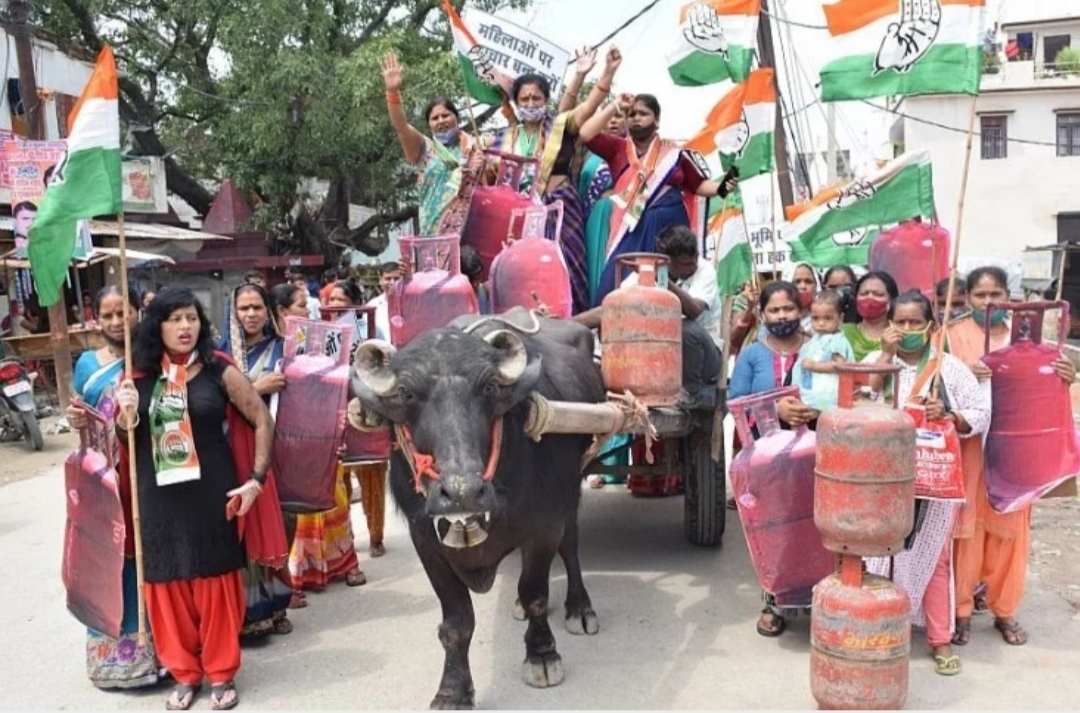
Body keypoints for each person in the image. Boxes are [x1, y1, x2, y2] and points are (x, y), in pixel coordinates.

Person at [114, 287, 285, 710]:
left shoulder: (218, 369)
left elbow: (261, 419)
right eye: (175, 319)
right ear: (158, 326)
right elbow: (126, 441)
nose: (185, 327)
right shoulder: (137, 377)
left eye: (192, 318)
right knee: (166, 583)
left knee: (215, 582)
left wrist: (256, 480)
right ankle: (185, 673)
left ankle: (221, 673)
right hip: (157, 496)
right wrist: (125, 413)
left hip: (213, 492)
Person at [863, 290, 991, 677]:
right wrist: (884, 357)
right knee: (878, 557)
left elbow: (980, 414)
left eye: (915, 322)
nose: (906, 329)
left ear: (931, 326)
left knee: (935, 559)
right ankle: (880, 631)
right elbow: (859, 400)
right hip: (881, 478)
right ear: (889, 326)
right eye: (899, 322)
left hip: (933, 479)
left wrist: (949, 414)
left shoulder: (948, 369)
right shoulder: (876, 361)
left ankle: (939, 638)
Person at [947, 266, 1075, 648]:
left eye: (995, 295)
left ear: (1009, 297)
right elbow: (942, 384)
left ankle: (1005, 608)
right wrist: (965, 374)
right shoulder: (953, 337)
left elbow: (1051, 395)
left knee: (1012, 528)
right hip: (972, 448)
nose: (989, 303)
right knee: (967, 528)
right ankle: (962, 611)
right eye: (980, 296)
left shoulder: (1029, 339)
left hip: (1017, 449)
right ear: (967, 298)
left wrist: (1065, 374)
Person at [66, 286, 163, 690]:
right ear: (96, 320)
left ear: (138, 313)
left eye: (121, 313)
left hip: (144, 472)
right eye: (106, 315)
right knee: (108, 559)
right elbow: (79, 412)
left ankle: (158, 650)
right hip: (103, 478)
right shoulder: (87, 363)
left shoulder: (150, 358)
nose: (114, 322)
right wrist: (75, 420)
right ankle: (113, 656)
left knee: (146, 555)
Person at [489, 48, 623, 314]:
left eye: (536, 98)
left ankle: (572, 323)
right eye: (524, 98)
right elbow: (491, 179)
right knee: (526, 270)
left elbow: (588, 105)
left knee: (567, 267)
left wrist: (605, 72)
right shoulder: (501, 138)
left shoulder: (560, 124)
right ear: (516, 102)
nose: (530, 103)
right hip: (522, 216)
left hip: (561, 209)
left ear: (546, 100)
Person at [581, 92, 738, 305]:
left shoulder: (674, 153)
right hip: (631, 230)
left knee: (668, 289)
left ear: (657, 120)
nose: (636, 117)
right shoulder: (617, 148)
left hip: (670, 230)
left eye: (643, 113)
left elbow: (698, 185)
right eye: (632, 114)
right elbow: (586, 134)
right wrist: (616, 105)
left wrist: (721, 187)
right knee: (615, 286)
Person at [728, 280, 814, 637]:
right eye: (775, 310)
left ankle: (817, 600)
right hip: (767, 460)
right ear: (762, 314)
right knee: (774, 528)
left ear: (801, 310)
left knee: (814, 525)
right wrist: (773, 407)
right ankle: (774, 601)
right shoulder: (752, 354)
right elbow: (735, 401)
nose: (782, 316)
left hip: (813, 453)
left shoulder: (819, 347)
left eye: (788, 309)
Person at [217, 284, 295, 640]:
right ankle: (247, 610)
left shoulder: (285, 349)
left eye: (257, 307)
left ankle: (276, 605)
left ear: (268, 311)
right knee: (240, 526)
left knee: (275, 522)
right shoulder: (220, 354)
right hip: (230, 449)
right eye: (243, 308)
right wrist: (255, 388)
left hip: (274, 449)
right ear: (233, 312)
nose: (250, 314)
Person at [575, 225, 722, 411]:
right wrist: (566, 323)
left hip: (705, 360)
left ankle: (693, 393)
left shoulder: (704, 270)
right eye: (685, 264)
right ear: (666, 263)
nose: (692, 266)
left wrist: (662, 281)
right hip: (665, 362)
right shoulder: (643, 276)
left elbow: (694, 310)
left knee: (684, 329)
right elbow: (611, 309)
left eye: (693, 260)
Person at [288, 278, 370, 591]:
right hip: (292, 434)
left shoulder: (327, 336)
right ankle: (301, 570)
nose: (319, 307)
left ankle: (344, 561)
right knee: (297, 505)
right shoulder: (279, 343)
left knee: (335, 495)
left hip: (325, 426)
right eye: (301, 305)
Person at [381, 51, 485, 237]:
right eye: (434, 118)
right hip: (432, 233)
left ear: (457, 117)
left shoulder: (475, 148)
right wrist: (392, 92)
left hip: (468, 236)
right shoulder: (425, 148)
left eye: (445, 115)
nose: (441, 120)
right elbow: (400, 125)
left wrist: (481, 168)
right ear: (428, 124)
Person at [791, 290, 855, 412]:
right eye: (815, 318)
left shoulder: (837, 340)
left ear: (840, 318)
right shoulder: (816, 339)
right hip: (812, 394)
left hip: (829, 397)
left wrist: (815, 366)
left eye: (828, 318)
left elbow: (839, 365)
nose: (821, 323)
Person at [841, 271, 899, 362]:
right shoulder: (842, 332)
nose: (869, 298)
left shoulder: (899, 334)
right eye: (864, 293)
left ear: (891, 300)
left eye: (878, 294)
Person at [366, 262, 403, 341]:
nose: (392, 283)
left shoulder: (411, 304)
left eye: (396, 278)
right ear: (380, 280)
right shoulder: (372, 306)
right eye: (388, 278)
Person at [783, 262, 820, 334]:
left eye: (808, 282)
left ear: (816, 286)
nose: (803, 286)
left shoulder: (826, 320)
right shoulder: (775, 319)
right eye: (797, 282)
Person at [459, 245, 491, 315]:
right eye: (470, 281)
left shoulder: (487, 293)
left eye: (477, 278)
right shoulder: (453, 302)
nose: (475, 284)